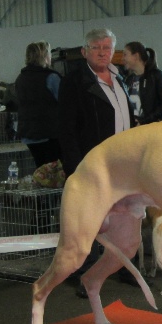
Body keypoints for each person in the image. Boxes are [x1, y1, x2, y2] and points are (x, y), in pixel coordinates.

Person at [59, 28, 136, 297]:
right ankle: (85, 274)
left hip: (125, 163)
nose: (103, 52)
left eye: (107, 47)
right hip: (93, 163)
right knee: (90, 218)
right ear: (84, 52)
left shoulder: (120, 77)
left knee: (127, 214)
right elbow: (66, 128)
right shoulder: (74, 82)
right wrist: (74, 166)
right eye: (96, 47)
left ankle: (126, 267)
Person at [14, 41, 63, 167]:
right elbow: (65, 103)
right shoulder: (51, 77)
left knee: (41, 169)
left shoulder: (20, 78)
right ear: (45, 56)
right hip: (49, 133)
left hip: (28, 133)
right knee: (56, 171)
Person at [122, 41, 162, 124]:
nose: (122, 59)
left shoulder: (156, 75)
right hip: (132, 129)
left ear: (136, 56)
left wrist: (144, 121)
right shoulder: (128, 79)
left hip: (152, 128)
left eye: (125, 55)